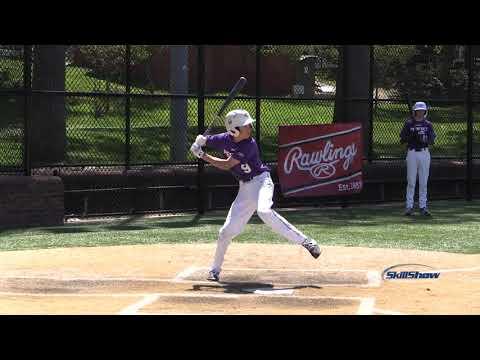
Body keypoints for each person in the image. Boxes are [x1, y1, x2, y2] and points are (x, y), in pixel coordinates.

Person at [190, 109, 321, 282]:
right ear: (234, 130)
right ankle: (215, 270)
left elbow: (227, 165)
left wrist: (202, 154)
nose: (250, 127)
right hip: (245, 189)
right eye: (246, 125)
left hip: (261, 182)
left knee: (264, 211)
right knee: (225, 232)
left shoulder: (248, 144)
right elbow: (211, 140)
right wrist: (202, 140)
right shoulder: (224, 138)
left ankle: (306, 242)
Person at [400, 101, 436, 216]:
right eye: (418, 110)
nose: (420, 112)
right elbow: (402, 140)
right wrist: (411, 137)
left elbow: (432, 141)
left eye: (422, 110)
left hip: (424, 153)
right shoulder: (409, 124)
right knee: (411, 181)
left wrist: (424, 140)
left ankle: (423, 206)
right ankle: (409, 206)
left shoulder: (428, 124)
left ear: (425, 111)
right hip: (412, 153)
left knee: (423, 181)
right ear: (415, 111)